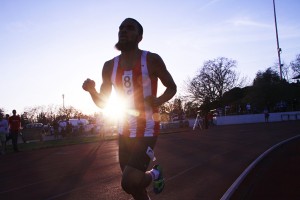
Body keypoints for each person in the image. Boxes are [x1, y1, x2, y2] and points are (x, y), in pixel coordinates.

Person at [82, 18, 177, 200]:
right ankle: (153, 177)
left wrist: (158, 101)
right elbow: (103, 103)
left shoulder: (151, 59)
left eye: (129, 28)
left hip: (147, 129)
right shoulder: (109, 66)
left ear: (140, 36)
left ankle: (155, 174)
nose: (123, 31)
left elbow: (172, 87)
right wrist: (92, 90)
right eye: (121, 28)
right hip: (124, 131)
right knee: (134, 189)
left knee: (129, 181)